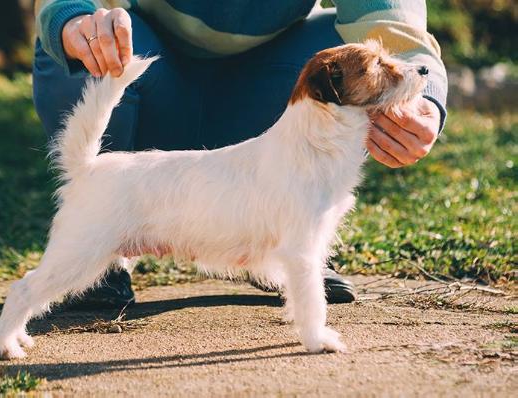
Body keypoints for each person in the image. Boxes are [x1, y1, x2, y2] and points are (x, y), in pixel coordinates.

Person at [32, 0, 447, 308]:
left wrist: (425, 101)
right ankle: (105, 245)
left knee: (345, 46)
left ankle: (284, 243)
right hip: (155, 77)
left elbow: (392, 19)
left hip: (264, 89)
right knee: (91, 38)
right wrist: (71, 18)